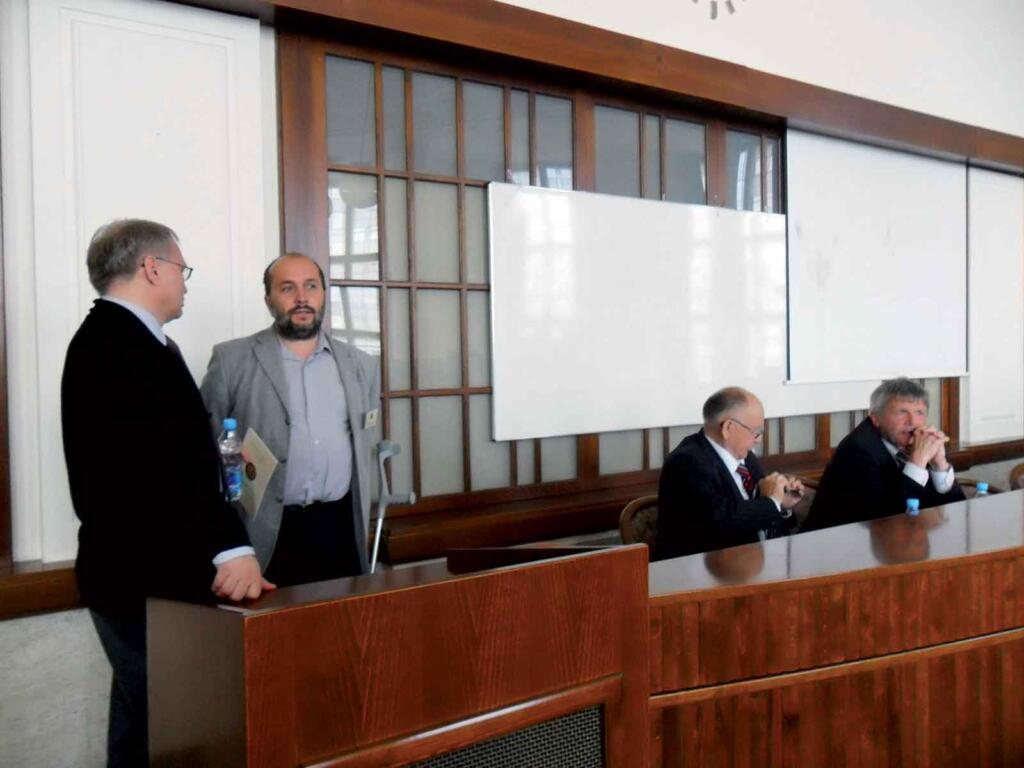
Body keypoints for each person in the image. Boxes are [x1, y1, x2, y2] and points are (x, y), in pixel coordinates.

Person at [61, 219, 271, 767]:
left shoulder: (123, 340)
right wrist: (232, 547)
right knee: (174, 730)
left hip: (134, 575)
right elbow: (156, 477)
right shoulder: (118, 347)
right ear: (151, 267)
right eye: (181, 268)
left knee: (141, 727)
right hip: (143, 579)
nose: (185, 282)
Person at [200, 253, 381, 586]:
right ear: (269, 299)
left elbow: (363, 442)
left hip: (339, 528)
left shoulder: (361, 366)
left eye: (311, 286)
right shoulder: (231, 360)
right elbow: (203, 453)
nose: (301, 298)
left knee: (339, 633)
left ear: (324, 294)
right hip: (266, 530)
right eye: (287, 288)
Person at [655, 387, 804, 560]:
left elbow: (760, 515)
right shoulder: (688, 462)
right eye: (756, 432)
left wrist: (783, 505)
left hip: (752, 564)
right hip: (705, 574)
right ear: (728, 427)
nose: (759, 440)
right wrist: (772, 502)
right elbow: (723, 522)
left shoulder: (746, 458)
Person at [803, 377, 965, 532]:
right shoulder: (857, 450)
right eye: (902, 412)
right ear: (875, 418)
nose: (912, 421)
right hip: (835, 548)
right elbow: (890, 519)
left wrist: (940, 464)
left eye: (919, 412)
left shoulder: (917, 443)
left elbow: (959, 511)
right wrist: (917, 462)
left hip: (901, 546)